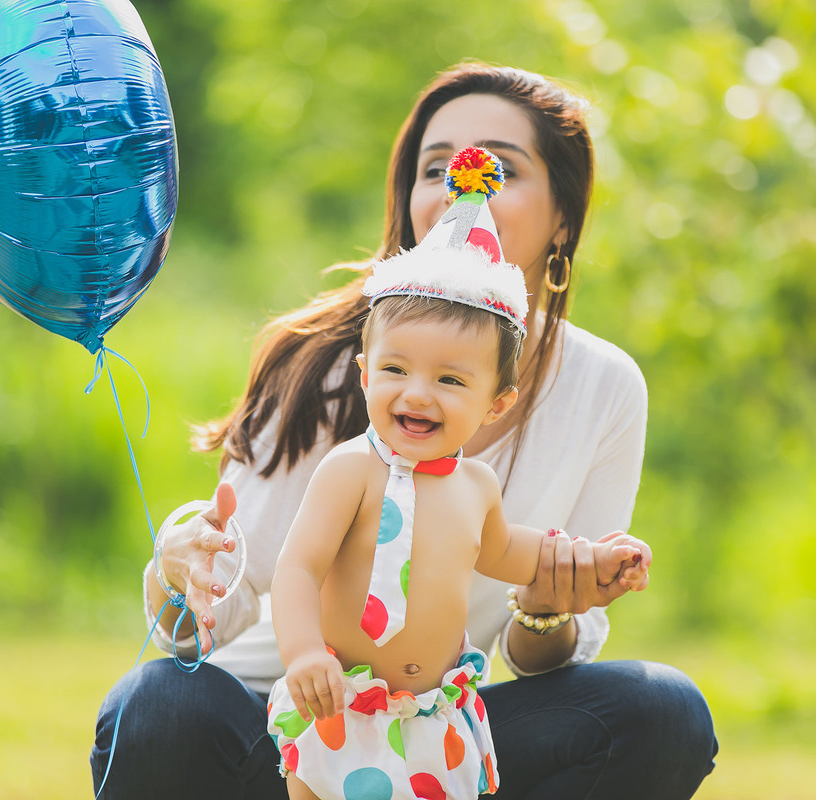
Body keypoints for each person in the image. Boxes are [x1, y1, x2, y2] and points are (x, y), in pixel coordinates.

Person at [92, 60, 718, 800]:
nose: (462, 187)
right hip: (281, 729)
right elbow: (226, 604)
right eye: (438, 168)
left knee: (660, 710)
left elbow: (537, 645)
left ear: (562, 219)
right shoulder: (322, 363)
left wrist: (555, 601)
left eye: (498, 170)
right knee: (160, 701)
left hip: (432, 734)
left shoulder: (604, 388)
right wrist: (180, 575)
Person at [266, 147, 651, 800]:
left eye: (450, 380)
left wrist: (589, 558)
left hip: (433, 714)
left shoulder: (475, 487)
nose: (418, 394)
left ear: (494, 404)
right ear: (365, 375)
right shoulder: (351, 471)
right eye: (395, 370)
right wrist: (304, 653)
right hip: (343, 703)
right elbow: (297, 568)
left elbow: (508, 551)